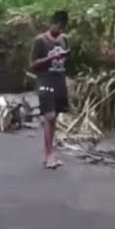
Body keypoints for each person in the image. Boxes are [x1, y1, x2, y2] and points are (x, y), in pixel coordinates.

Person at [29, 11, 70, 169]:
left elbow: (66, 60)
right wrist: (49, 59)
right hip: (45, 81)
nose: (59, 30)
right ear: (52, 23)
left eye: (63, 27)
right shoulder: (40, 40)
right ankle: (48, 155)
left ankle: (51, 152)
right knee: (50, 116)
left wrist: (66, 55)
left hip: (59, 81)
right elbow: (32, 64)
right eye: (58, 26)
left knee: (54, 119)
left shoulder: (64, 39)